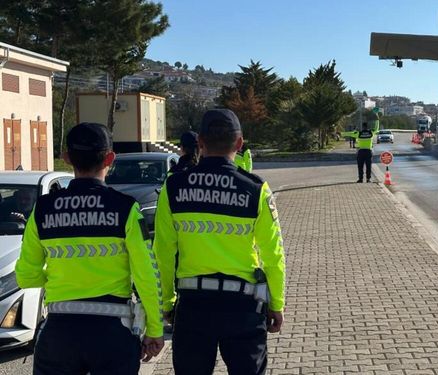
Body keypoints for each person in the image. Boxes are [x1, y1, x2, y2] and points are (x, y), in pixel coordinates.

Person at [15, 123, 164, 375]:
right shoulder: (125, 208)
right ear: (110, 158)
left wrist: (60, 278)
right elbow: (146, 274)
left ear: (66, 158)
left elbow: (25, 276)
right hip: (113, 334)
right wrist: (155, 330)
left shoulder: (42, 209)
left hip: (59, 333)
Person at [154, 109, 286, 375]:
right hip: (243, 308)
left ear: (200, 142)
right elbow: (273, 254)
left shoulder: (174, 187)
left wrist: (167, 303)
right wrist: (277, 303)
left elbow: (163, 252)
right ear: (239, 144)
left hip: (193, 307)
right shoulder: (255, 189)